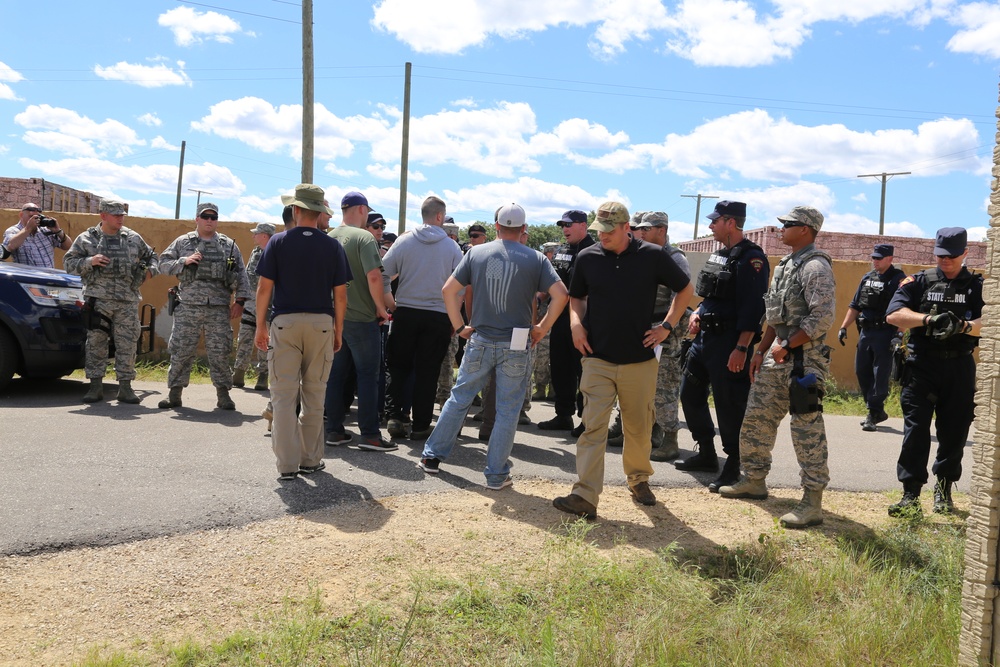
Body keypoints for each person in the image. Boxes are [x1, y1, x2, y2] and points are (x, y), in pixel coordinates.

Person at [552, 201, 692, 520]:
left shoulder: (653, 256)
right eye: (599, 230)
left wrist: (666, 327)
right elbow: (577, 298)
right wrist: (576, 324)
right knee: (593, 427)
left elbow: (685, 290)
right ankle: (585, 494)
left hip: (639, 361)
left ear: (626, 228)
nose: (602, 236)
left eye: (609, 230)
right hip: (597, 358)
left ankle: (639, 480)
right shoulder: (588, 258)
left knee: (638, 428)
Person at [418, 203, 568, 487]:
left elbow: (448, 290)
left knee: (459, 398)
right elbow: (561, 295)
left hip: (481, 338)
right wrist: (541, 328)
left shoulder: (476, 252)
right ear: (524, 229)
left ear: (496, 226)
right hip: (517, 340)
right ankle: (496, 474)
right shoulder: (536, 259)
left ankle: (432, 457)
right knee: (508, 409)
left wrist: (460, 326)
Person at [719, 206, 835, 530]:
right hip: (776, 355)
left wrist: (788, 345)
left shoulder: (815, 266)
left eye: (789, 224)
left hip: (805, 362)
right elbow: (773, 314)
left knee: (806, 428)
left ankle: (812, 502)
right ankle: (753, 480)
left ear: (807, 230)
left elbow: (822, 317)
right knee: (757, 418)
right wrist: (761, 349)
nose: (781, 228)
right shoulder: (785, 265)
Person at [884, 227, 982, 516]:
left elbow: (990, 320)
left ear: (965, 253)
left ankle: (943, 493)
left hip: (959, 366)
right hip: (922, 365)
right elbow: (893, 314)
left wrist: (963, 326)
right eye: (940, 255)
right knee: (915, 431)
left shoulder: (977, 286)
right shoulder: (919, 281)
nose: (945, 260)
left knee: (954, 431)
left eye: (952, 255)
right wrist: (928, 319)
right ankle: (910, 496)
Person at [255, 184, 349, 481]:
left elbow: (264, 288)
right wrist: (338, 330)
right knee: (314, 395)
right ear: (320, 212)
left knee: (283, 395)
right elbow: (341, 295)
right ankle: (311, 459)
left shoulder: (278, 242)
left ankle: (287, 465)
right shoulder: (333, 245)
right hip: (321, 322)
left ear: (295, 210)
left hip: (285, 322)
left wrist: (260, 325)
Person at [675, 201, 769, 491]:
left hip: (730, 341)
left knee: (729, 403)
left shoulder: (752, 259)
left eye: (715, 221)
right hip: (705, 339)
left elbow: (754, 308)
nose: (710, 226)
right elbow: (711, 294)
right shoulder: (719, 255)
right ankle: (705, 452)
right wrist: (700, 313)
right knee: (689, 393)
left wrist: (741, 348)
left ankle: (734, 462)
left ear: (731, 222)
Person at [382, 196, 464, 440]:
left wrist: (391, 304)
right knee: (428, 372)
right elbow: (460, 289)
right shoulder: (451, 247)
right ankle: (420, 425)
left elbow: (382, 274)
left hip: (405, 313)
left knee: (398, 368)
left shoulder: (403, 241)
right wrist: (453, 319)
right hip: (437, 316)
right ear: (440, 216)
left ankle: (395, 417)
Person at [157, 203, 252, 410]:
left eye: (213, 217)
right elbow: (162, 264)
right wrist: (184, 261)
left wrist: (240, 301)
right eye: (205, 217)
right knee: (181, 349)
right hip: (188, 306)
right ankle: (175, 393)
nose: (209, 220)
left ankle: (223, 395)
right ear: (197, 219)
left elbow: (242, 274)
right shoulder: (183, 242)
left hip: (218, 307)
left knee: (220, 352)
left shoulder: (228, 244)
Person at [63, 199, 157, 404]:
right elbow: (69, 264)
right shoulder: (87, 238)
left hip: (127, 300)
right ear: (103, 216)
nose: (120, 219)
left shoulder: (132, 238)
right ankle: (95, 387)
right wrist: (90, 261)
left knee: (128, 343)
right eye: (116, 215)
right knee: (96, 342)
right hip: (98, 301)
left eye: (122, 215)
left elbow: (152, 257)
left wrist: (149, 272)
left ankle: (125, 387)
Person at [323, 191, 394, 451]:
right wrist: (380, 309)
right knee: (368, 375)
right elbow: (374, 277)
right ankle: (371, 435)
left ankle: (334, 430)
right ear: (362, 210)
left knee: (336, 376)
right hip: (362, 318)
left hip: (334, 317)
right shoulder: (364, 237)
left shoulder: (329, 236)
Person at [621, 210, 692, 461]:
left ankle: (670, 439)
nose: (639, 232)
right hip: (640, 329)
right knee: (637, 385)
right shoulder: (641, 254)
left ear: (661, 230)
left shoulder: (674, 258)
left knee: (664, 387)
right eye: (638, 229)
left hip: (664, 331)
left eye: (646, 229)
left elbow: (680, 298)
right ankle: (645, 433)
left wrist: (666, 328)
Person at [837, 244, 906, 431]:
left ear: (890, 259)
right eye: (873, 257)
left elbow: (904, 309)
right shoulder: (867, 278)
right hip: (866, 333)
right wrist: (844, 327)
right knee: (861, 371)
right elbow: (855, 305)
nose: (875, 261)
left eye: (879, 258)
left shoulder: (899, 279)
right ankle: (877, 410)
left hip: (886, 333)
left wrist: (899, 333)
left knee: (880, 374)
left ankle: (873, 412)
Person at [538, 209, 595, 434]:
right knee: (560, 367)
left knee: (585, 372)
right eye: (563, 225)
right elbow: (553, 281)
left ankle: (587, 420)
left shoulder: (594, 250)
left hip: (585, 320)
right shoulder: (562, 251)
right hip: (560, 317)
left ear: (584, 225)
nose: (565, 229)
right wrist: (540, 296)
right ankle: (563, 415)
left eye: (569, 225)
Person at [232, 222, 275, 391]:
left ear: (264, 235)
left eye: (256, 233)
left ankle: (263, 376)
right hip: (250, 304)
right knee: (244, 337)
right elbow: (246, 276)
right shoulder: (256, 252)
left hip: (267, 306)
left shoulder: (276, 252)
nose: (253, 236)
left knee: (264, 342)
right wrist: (241, 300)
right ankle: (238, 373)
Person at [4, 202, 72, 267]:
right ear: (21, 215)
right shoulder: (13, 231)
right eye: (31, 217)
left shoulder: (45, 230)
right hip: (28, 277)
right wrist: (27, 229)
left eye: (37, 218)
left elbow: (68, 246)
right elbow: (10, 246)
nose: (35, 220)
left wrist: (58, 231)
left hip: (49, 277)